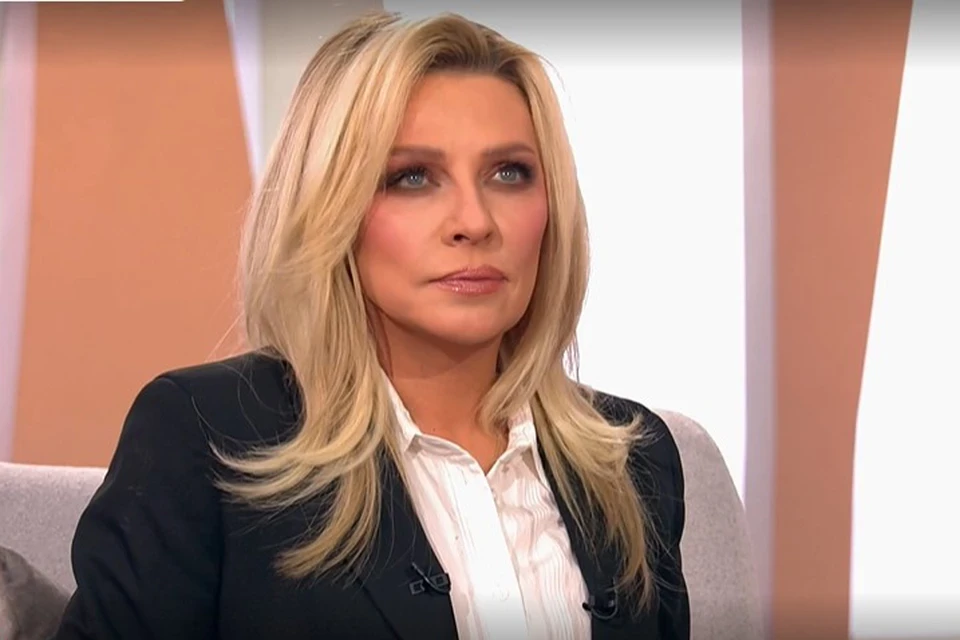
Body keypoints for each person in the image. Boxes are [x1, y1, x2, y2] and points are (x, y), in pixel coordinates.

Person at [54, 10, 689, 640]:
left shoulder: (633, 460)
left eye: (509, 173)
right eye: (413, 177)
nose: (475, 221)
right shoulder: (205, 435)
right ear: (331, 205)